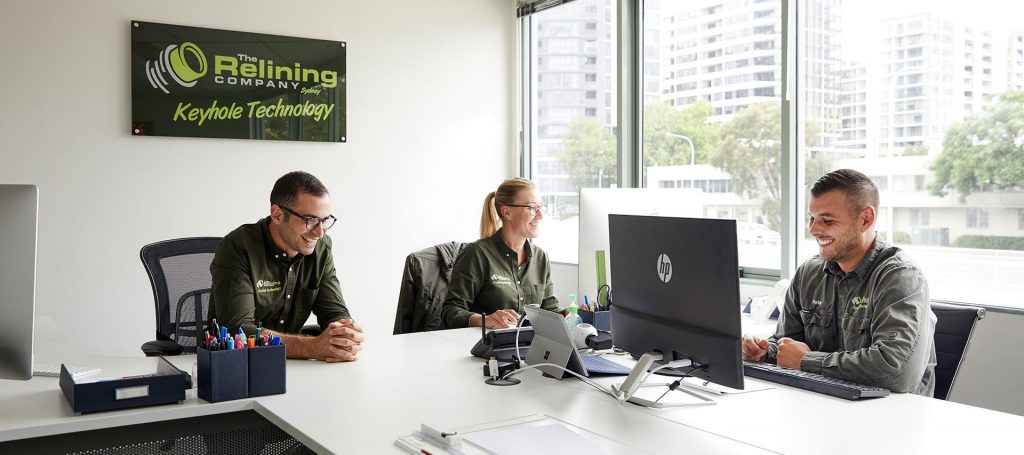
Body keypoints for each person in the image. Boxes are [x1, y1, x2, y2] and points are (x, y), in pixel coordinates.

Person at [742, 169, 936, 395]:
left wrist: (806, 361)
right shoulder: (808, 273)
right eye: (812, 218)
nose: (814, 229)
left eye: (827, 220)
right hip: (821, 406)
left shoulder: (900, 278)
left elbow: (896, 371)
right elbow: (788, 343)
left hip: (889, 418)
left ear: (865, 219)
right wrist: (765, 351)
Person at [209, 171, 364, 362]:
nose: (320, 232)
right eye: (310, 220)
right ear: (277, 215)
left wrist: (344, 334)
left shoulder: (321, 247)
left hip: (294, 365)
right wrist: (312, 347)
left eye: (325, 220)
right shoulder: (238, 247)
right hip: (238, 364)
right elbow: (238, 330)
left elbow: (333, 312)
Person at [441, 178, 561, 329]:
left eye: (541, 207)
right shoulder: (476, 254)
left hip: (527, 346)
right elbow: (450, 311)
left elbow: (550, 310)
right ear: (507, 212)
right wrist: (484, 320)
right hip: (484, 345)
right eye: (532, 208)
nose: (540, 216)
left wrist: (572, 314)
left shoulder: (540, 257)